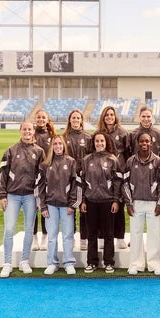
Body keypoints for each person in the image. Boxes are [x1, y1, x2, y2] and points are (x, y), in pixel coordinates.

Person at [0, 121, 45, 278]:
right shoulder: (10, 150)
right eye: (24, 129)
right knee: (9, 228)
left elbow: (42, 177)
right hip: (13, 195)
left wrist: (39, 198)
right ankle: (7, 263)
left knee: (29, 229)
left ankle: (24, 260)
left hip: (30, 196)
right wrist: (2, 195)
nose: (27, 132)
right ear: (20, 131)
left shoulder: (39, 152)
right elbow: (2, 173)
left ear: (33, 132)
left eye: (30, 129)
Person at [123, 132, 160, 275]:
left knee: (154, 234)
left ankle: (155, 264)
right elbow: (125, 184)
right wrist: (129, 203)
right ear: (138, 142)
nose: (144, 144)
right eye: (142, 141)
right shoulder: (130, 161)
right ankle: (135, 264)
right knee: (135, 234)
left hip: (153, 203)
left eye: (147, 141)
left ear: (151, 143)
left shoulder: (158, 161)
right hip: (136, 202)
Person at [37, 135, 81, 275]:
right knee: (52, 236)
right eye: (55, 144)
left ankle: (69, 262)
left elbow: (76, 185)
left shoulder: (71, 162)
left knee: (68, 235)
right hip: (50, 205)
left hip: (66, 205)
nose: (57, 146)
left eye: (60, 144)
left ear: (64, 146)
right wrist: (42, 206)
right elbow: (39, 187)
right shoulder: (45, 165)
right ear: (52, 147)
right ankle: (52, 263)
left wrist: (73, 204)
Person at [79, 132, 121, 273]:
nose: (99, 143)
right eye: (97, 141)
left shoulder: (112, 160)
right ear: (93, 143)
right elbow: (82, 182)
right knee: (91, 234)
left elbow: (117, 182)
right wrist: (83, 200)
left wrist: (116, 200)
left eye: (102, 141)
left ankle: (109, 262)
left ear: (106, 142)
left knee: (108, 234)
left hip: (107, 201)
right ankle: (92, 262)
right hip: (90, 201)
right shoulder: (86, 160)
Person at [95, 105, 130, 250]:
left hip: (118, 174)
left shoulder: (123, 133)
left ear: (115, 116)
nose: (109, 117)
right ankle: (102, 236)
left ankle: (120, 236)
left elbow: (128, 153)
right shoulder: (99, 133)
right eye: (106, 115)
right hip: (102, 175)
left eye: (111, 114)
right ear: (103, 117)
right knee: (103, 207)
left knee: (119, 205)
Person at [63, 109, 93, 251]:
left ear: (81, 120)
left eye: (78, 118)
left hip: (84, 178)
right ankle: (71, 237)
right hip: (68, 178)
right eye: (73, 118)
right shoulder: (63, 137)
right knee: (70, 208)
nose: (75, 120)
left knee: (84, 208)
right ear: (69, 120)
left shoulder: (88, 137)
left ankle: (84, 238)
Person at [33, 109, 55, 251]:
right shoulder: (31, 133)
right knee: (33, 207)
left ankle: (45, 236)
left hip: (47, 175)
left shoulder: (52, 135)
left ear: (47, 119)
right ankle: (34, 237)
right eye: (39, 117)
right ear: (36, 119)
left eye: (43, 117)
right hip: (32, 175)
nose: (41, 119)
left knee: (44, 206)